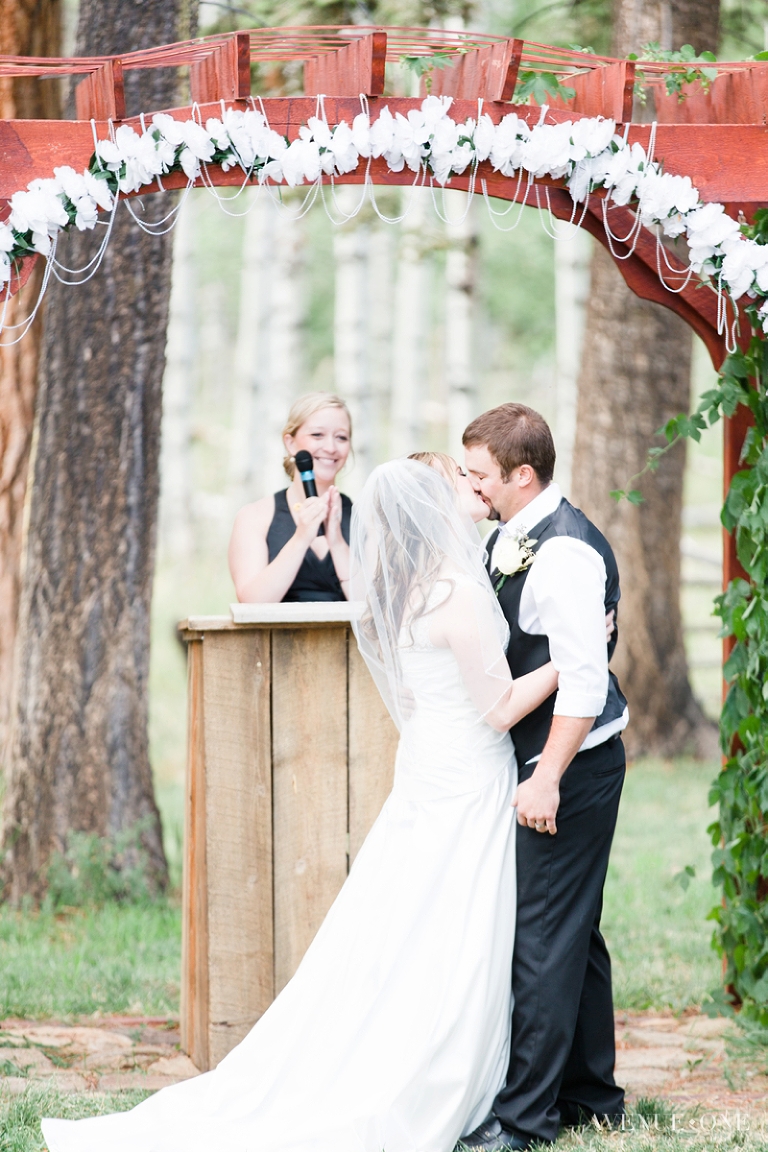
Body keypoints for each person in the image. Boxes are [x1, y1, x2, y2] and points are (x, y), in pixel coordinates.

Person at [41, 459, 561, 1152]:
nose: (470, 490)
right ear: (436, 510)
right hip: (466, 777)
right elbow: (497, 709)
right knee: (454, 929)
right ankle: (441, 1073)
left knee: (404, 929)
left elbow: (413, 700)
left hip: (429, 771)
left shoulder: (404, 592)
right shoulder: (458, 593)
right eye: (457, 485)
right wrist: (570, 661)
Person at [460, 403, 629, 1152]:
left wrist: (548, 777)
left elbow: (585, 684)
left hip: (574, 763)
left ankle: (525, 1121)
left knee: (542, 939)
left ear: (522, 477)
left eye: (480, 476)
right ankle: (592, 1096)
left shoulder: (562, 554)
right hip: (551, 756)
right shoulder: (512, 533)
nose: (471, 487)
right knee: (573, 932)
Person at [228, 392, 352, 603]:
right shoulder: (254, 517)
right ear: (291, 442)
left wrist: (338, 543)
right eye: (317, 435)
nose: (331, 447)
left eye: (341, 437)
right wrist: (301, 537)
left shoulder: (367, 519)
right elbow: (252, 603)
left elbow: (377, 611)